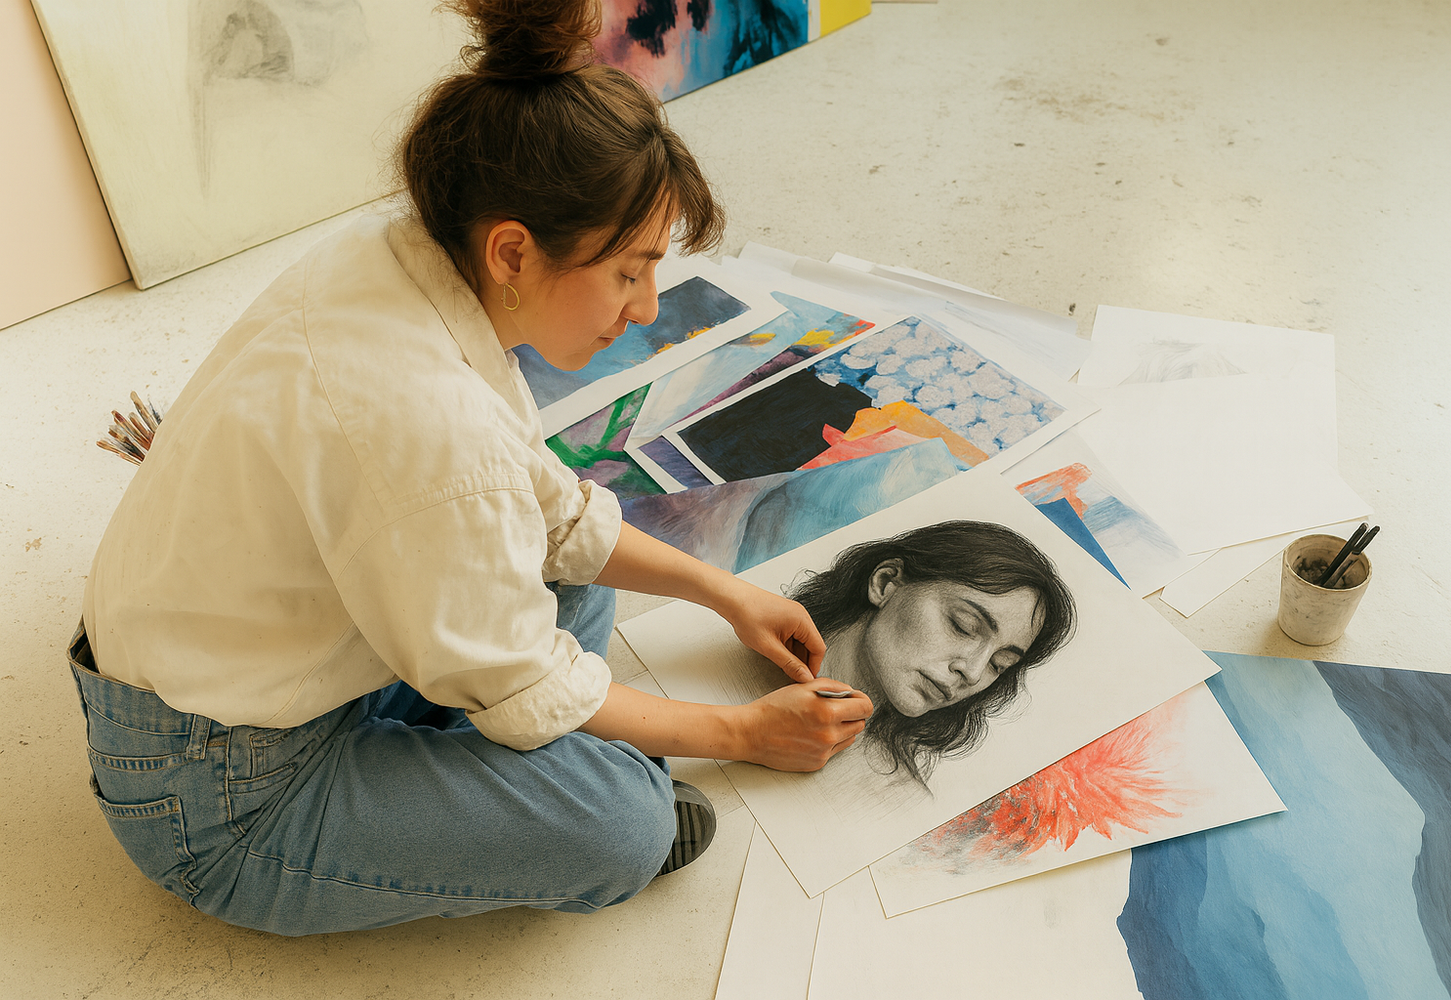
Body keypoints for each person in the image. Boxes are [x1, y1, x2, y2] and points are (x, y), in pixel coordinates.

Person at [71, 0, 872, 937]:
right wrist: (741, 735)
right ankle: (489, 790)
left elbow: (545, 511)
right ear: (513, 251)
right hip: (215, 796)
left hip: (274, 658)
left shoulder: (392, 255)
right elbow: (514, 624)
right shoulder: (429, 435)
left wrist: (722, 592)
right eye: (628, 272)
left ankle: (457, 774)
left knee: (572, 593)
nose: (649, 306)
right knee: (624, 825)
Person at [788, 520, 1077, 786]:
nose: (974, 672)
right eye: (963, 626)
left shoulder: (892, 791)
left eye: (999, 664)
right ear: (885, 583)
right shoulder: (749, 651)